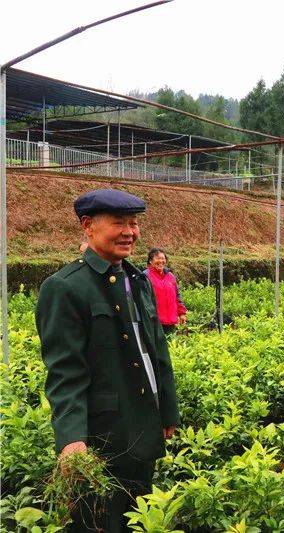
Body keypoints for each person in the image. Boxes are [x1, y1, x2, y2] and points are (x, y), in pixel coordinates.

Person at [35, 189, 180, 532]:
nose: (130, 231)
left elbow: (156, 348)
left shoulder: (137, 280)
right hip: (103, 440)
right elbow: (65, 372)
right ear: (88, 226)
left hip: (144, 426)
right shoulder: (66, 288)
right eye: (119, 223)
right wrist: (72, 438)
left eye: (133, 223)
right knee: (101, 521)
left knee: (139, 517)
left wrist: (168, 409)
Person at [143, 248, 187, 335]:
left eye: (163, 258)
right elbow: (143, 300)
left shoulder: (170, 276)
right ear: (150, 261)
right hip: (154, 323)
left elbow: (177, 296)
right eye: (157, 258)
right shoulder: (145, 276)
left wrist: (182, 313)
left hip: (171, 321)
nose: (161, 261)